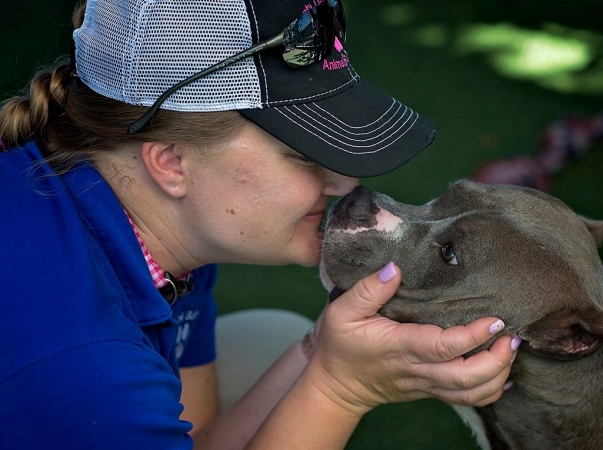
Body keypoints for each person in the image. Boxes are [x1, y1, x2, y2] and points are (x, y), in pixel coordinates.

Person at [0, 0, 519, 448]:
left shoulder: (158, 228)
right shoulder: (85, 368)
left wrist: (323, 351)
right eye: (301, 154)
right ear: (171, 162)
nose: (344, 181)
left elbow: (198, 438)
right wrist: (341, 387)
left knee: (284, 339)